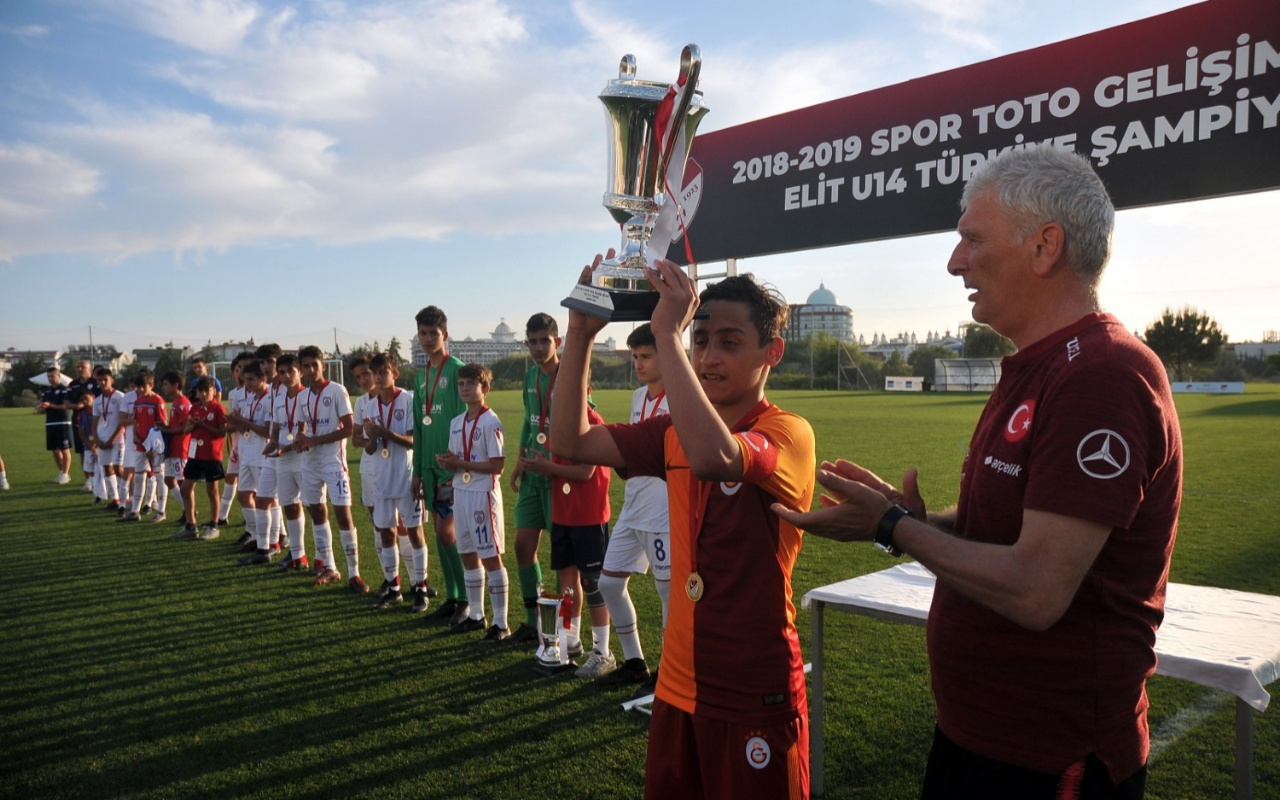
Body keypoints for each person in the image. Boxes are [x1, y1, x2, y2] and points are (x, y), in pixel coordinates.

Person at [775, 147, 1182, 800]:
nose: (954, 261)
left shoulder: (1100, 375)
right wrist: (901, 520)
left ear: (1045, 246)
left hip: (1049, 761)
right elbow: (1010, 526)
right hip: (979, 740)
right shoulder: (1039, 364)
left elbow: (1037, 589)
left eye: (970, 238)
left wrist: (891, 527)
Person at [552, 258, 814, 799]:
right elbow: (571, 442)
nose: (709, 356)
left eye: (730, 342)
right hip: (676, 685)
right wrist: (578, 336)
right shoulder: (672, 430)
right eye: (701, 340)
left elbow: (716, 456)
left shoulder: (787, 431)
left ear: (772, 353)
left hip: (750, 687)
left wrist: (667, 334)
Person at [595, 323, 671, 691]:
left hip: (664, 509)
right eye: (636, 357)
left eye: (646, 356)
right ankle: (636, 662)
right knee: (609, 583)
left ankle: (669, 673)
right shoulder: (639, 397)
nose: (639, 364)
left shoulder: (683, 398)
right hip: (633, 503)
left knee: (668, 594)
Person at [435, 363, 509, 639]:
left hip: (483, 496)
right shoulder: (456, 422)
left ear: (485, 388)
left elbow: (497, 466)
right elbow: (458, 462)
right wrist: (448, 463)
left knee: (490, 557)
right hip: (461, 493)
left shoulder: (492, 423)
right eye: (461, 384)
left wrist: (460, 463)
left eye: (470, 384)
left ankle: (501, 624)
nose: (464, 388)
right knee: (467, 553)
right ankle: (477, 616)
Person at [542, 396, 612, 677]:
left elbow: (586, 472)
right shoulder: (558, 422)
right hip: (563, 513)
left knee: (592, 583)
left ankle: (603, 651)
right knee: (567, 581)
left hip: (589, 515)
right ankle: (570, 641)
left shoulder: (593, 423)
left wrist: (546, 468)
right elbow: (554, 461)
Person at [410, 306, 468, 622]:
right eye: (423, 333)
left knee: (448, 533)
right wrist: (418, 472)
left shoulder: (458, 371)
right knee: (439, 532)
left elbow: (466, 419)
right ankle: (453, 596)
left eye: (434, 333)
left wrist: (458, 462)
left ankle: (467, 600)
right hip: (430, 469)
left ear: (445, 334)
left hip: (452, 468)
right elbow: (420, 427)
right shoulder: (422, 376)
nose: (429, 338)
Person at [507, 312, 562, 644]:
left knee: (561, 557)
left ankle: (558, 633)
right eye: (534, 341)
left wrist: (552, 460)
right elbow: (530, 422)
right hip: (531, 471)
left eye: (546, 340)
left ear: (558, 341)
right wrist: (519, 461)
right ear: (526, 343)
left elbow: (581, 420)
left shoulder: (570, 372)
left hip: (556, 473)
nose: (540, 347)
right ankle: (533, 622)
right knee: (522, 546)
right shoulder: (529, 377)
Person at [294, 345, 366, 592]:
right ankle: (330, 566)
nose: (311, 369)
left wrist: (314, 440)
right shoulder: (302, 396)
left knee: (343, 514)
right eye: (306, 366)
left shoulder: (337, 391)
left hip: (334, 463)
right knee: (316, 512)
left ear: (323, 366)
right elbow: (301, 428)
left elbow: (349, 428)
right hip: (310, 464)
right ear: (301, 370)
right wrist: (299, 439)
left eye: (315, 364)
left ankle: (354, 574)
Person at [361, 353, 428, 611]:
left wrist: (385, 433)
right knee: (386, 532)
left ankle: (421, 588)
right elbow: (368, 449)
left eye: (383, 371)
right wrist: (371, 438)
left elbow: (414, 441)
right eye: (375, 372)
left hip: (405, 477)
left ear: (395, 374)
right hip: (381, 478)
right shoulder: (369, 406)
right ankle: (394, 587)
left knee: (414, 532)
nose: (378, 376)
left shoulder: (409, 400)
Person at [264, 354, 310, 571]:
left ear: (300, 372)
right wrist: (273, 442)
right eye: (281, 372)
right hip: (282, 459)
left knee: (313, 507)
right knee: (290, 506)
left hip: (302, 458)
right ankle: (297, 554)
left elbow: (305, 432)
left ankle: (321, 558)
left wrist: (285, 447)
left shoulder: (307, 396)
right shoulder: (279, 397)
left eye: (289, 371)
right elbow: (276, 425)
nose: (285, 376)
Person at [178, 377, 230, 540]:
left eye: (206, 391)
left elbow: (222, 432)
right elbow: (186, 430)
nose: (203, 394)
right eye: (200, 391)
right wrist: (194, 424)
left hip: (211, 455)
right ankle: (190, 525)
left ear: (214, 391)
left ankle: (214, 525)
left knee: (211, 491)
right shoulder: (194, 408)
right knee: (185, 488)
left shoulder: (218, 409)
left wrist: (203, 425)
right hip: (195, 454)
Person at [118, 370, 166, 523]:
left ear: (151, 385)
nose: (139, 390)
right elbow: (136, 422)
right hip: (140, 445)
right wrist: (137, 436)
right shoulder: (138, 402)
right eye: (137, 387)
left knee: (159, 477)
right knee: (139, 477)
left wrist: (153, 446)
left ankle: (161, 511)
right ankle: (134, 512)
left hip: (154, 447)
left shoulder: (158, 401)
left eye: (142, 387)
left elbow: (162, 425)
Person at [155, 371, 191, 525]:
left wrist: (167, 430)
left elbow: (186, 427)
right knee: (169, 479)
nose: (164, 388)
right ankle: (187, 509)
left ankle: (189, 512)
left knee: (182, 482)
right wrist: (165, 426)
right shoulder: (176, 403)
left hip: (180, 448)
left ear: (176, 385)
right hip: (172, 447)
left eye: (166, 385)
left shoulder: (183, 403)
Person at [92, 367, 127, 511]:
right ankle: (115, 499)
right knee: (107, 469)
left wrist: (113, 438)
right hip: (102, 439)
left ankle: (126, 498)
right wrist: (97, 440)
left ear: (112, 380)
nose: (102, 382)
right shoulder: (98, 401)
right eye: (99, 380)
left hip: (117, 439)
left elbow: (123, 421)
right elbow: (94, 422)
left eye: (105, 379)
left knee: (119, 469)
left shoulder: (120, 397)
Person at [36, 365, 74, 484]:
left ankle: (66, 474)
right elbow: (42, 410)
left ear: (59, 376)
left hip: (62, 422)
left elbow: (66, 406)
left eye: (52, 376)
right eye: (48, 377)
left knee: (65, 449)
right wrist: (41, 408)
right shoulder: (47, 391)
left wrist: (50, 406)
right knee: (55, 450)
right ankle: (62, 472)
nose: (50, 379)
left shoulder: (65, 390)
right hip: (50, 423)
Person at [67, 358, 99, 492]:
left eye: (83, 367)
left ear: (90, 369)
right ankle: (88, 480)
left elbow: (100, 399)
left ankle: (100, 479)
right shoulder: (72, 384)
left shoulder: (96, 382)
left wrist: (88, 405)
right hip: (79, 420)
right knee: (82, 451)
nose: (80, 369)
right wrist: (77, 405)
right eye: (78, 367)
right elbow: (67, 403)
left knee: (98, 450)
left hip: (96, 420)